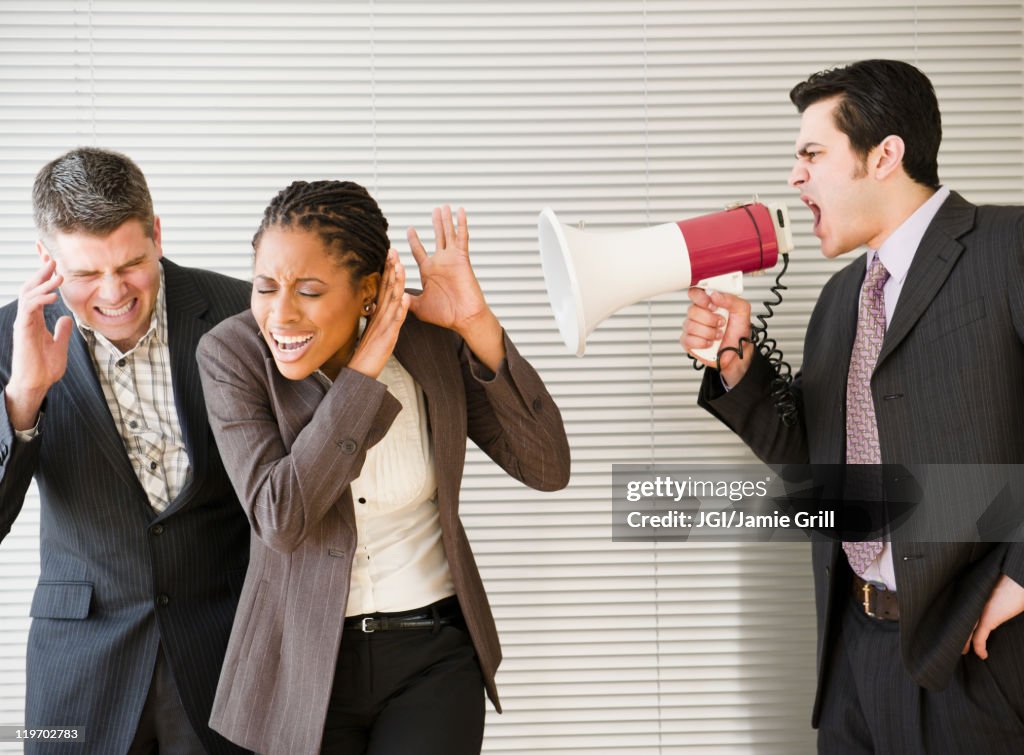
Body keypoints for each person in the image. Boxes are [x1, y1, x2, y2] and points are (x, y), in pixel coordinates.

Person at [682, 60, 1024, 753]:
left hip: (975, 657)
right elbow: (816, 466)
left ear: (885, 155)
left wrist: (1021, 576)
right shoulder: (841, 299)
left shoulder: (1006, 247)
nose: (794, 176)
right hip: (854, 658)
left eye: (812, 153)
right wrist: (739, 367)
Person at [196, 179, 570, 754]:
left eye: (310, 290)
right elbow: (282, 518)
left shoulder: (430, 342)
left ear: (369, 289)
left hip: (434, 656)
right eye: (265, 286)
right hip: (301, 665)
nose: (280, 313)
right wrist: (361, 376)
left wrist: (476, 324)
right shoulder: (233, 355)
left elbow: (545, 466)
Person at [0, 147, 252, 754]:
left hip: (224, 652)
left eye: (133, 263)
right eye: (85, 274)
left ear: (157, 233)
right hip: (77, 669)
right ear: (47, 259)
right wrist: (24, 398)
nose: (114, 293)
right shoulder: (7, 338)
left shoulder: (242, 312)